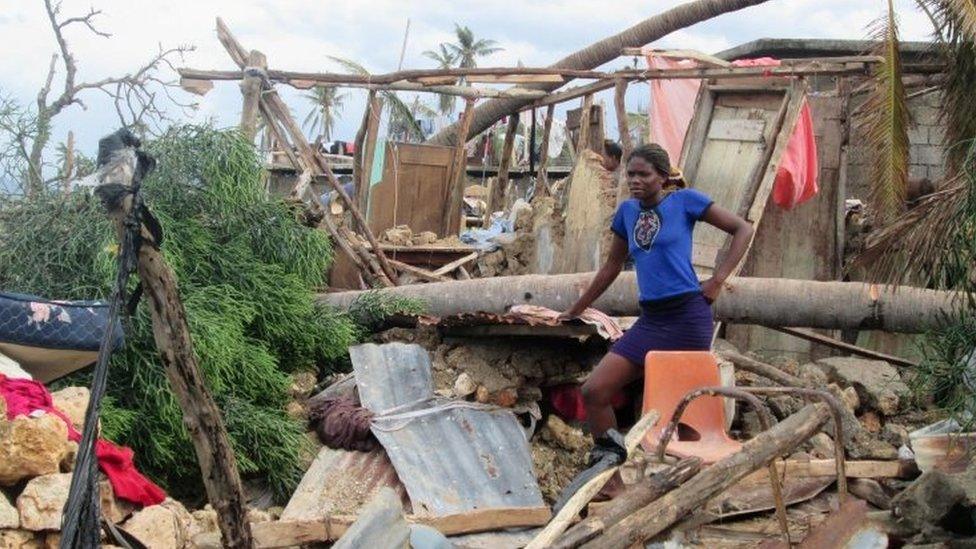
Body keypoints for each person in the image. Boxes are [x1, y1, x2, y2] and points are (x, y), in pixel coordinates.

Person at [560, 143, 753, 498]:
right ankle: (612, 481)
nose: (634, 180)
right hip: (650, 321)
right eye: (630, 174)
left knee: (686, 412)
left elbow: (743, 229)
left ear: (663, 177)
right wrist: (576, 308)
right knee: (594, 391)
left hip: (687, 317)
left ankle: (701, 487)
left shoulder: (686, 202)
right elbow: (610, 269)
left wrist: (717, 280)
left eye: (643, 174)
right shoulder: (626, 214)